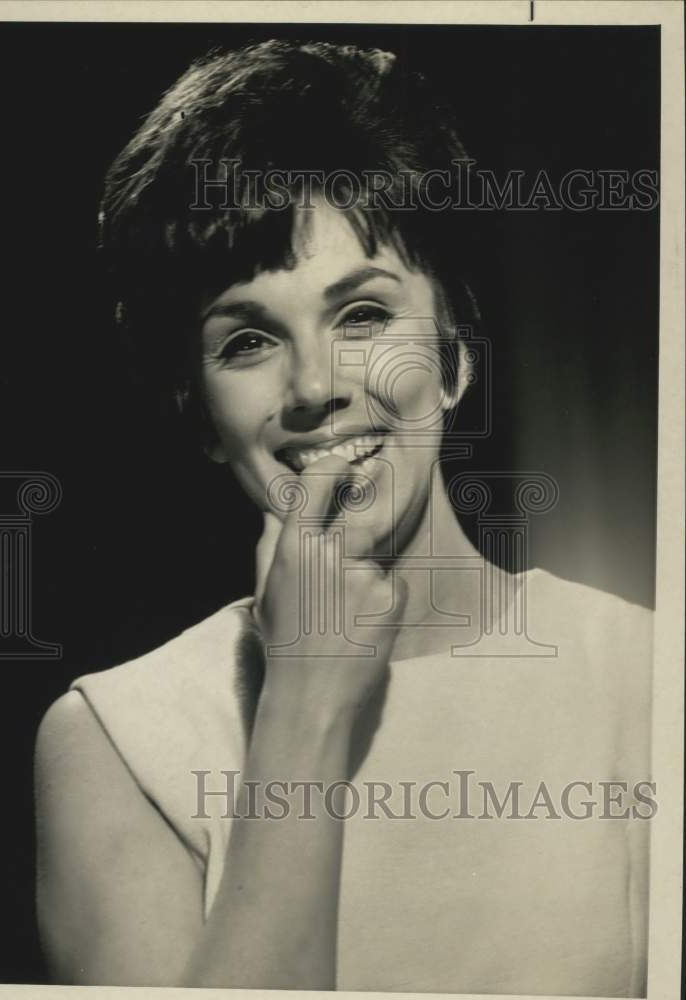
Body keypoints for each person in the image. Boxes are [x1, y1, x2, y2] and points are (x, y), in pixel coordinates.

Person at [34, 40, 653, 994]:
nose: (315, 387)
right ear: (199, 414)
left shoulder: (648, 686)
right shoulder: (115, 742)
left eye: (362, 316)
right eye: (246, 340)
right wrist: (303, 708)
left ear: (455, 355)